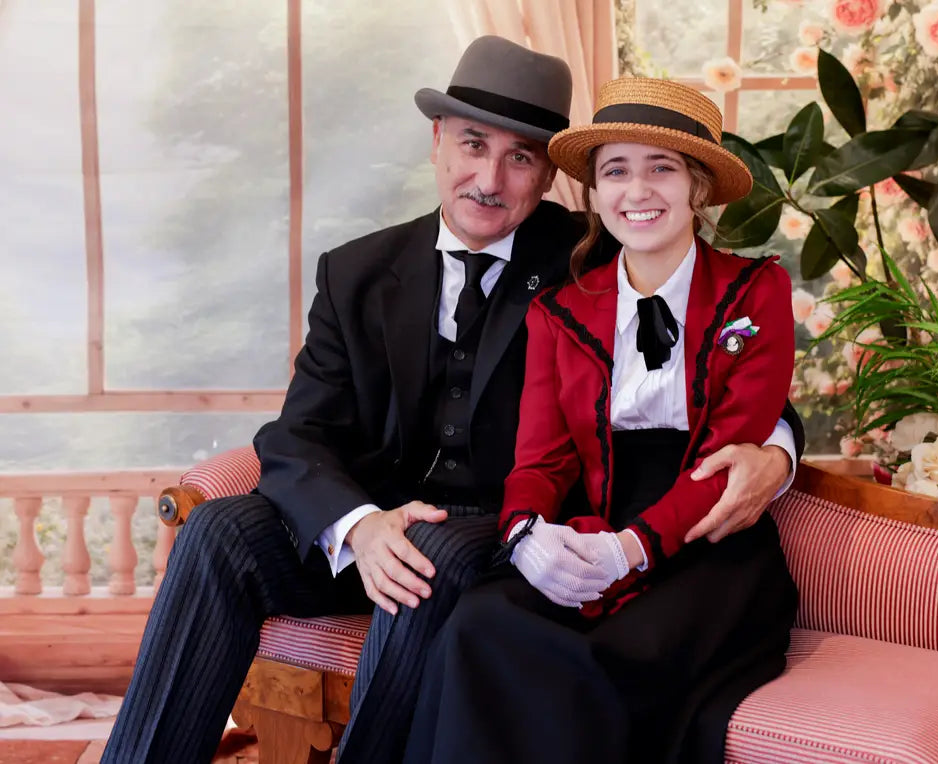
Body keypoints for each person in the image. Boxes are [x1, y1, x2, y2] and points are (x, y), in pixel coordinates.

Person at [101, 38, 801, 764]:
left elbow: (707, 378)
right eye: (472, 145)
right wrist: (361, 527)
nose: (489, 179)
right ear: (438, 142)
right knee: (220, 531)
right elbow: (296, 434)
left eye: (520, 158)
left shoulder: (599, 252)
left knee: (425, 555)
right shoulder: (358, 273)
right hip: (377, 522)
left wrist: (775, 451)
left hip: (498, 525)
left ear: (549, 178)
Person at [402, 77, 801, 764]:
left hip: (709, 549)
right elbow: (541, 461)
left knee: (603, 659)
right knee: (479, 625)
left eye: (662, 169)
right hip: (596, 529)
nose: (636, 192)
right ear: (592, 192)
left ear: (698, 188)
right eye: (616, 171)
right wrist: (526, 532)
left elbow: (729, 449)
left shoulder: (755, 290)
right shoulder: (558, 311)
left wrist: (634, 548)